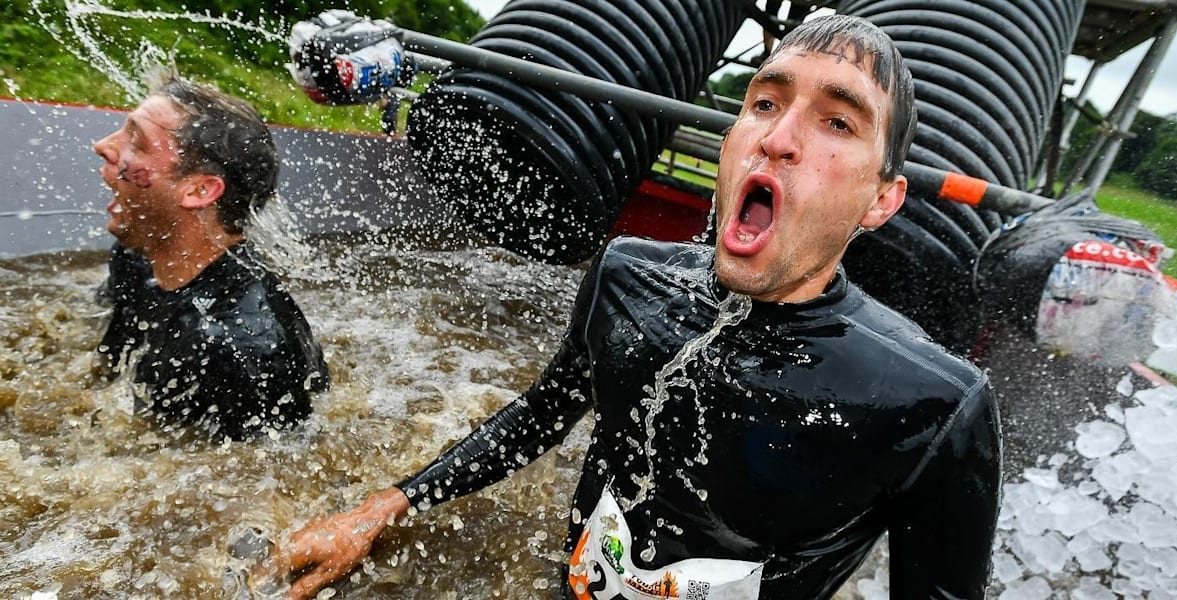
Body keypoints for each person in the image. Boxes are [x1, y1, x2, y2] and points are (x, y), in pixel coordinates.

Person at [286, 15, 1000, 599]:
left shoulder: (931, 404)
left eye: (838, 123)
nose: (777, 140)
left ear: (882, 199)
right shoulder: (629, 274)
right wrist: (384, 505)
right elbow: (540, 415)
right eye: (764, 104)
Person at [94, 77, 330, 442]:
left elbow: (266, 481)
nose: (103, 146)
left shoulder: (244, 348)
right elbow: (108, 366)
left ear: (200, 190)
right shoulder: (136, 256)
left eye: (136, 141)